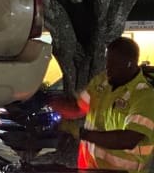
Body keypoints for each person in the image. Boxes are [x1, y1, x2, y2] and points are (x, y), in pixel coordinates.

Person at [49, 37, 154, 173]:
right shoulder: (102, 82)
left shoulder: (145, 97)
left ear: (130, 64)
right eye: (107, 62)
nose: (108, 68)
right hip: (90, 168)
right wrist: (49, 102)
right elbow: (77, 108)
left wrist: (82, 134)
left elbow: (127, 139)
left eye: (114, 64)